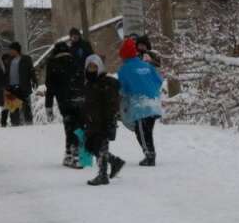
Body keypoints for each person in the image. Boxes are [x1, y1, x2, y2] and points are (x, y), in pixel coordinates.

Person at [117, 37, 164, 166]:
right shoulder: (146, 65)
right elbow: (159, 81)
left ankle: (150, 156)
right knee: (146, 131)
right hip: (154, 103)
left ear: (123, 55)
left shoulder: (124, 70)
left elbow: (123, 89)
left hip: (141, 106)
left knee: (141, 131)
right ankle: (149, 153)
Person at [82, 54, 125, 186]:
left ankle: (103, 175)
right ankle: (115, 162)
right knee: (91, 146)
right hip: (91, 121)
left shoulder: (105, 83)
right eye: (90, 67)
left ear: (100, 67)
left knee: (100, 147)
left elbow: (111, 104)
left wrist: (109, 120)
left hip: (103, 121)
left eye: (95, 66)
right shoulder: (88, 83)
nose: (92, 69)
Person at [44, 40, 86, 168]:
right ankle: (77, 155)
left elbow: (50, 87)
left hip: (64, 100)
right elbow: (82, 80)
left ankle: (71, 155)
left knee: (69, 126)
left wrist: (48, 105)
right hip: (79, 98)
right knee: (79, 127)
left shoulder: (52, 63)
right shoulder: (75, 61)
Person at [2, 41, 37, 126]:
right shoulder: (9, 60)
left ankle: (29, 123)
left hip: (23, 85)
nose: (10, 52)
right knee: (13, 108)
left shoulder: (26, 59)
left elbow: (31, 71)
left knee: (26, 106)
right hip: (11, 87)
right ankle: (15, 124)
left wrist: (34, 80)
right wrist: (5, 85)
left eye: (11, 50)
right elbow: (6, 73)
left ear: (16, 50)